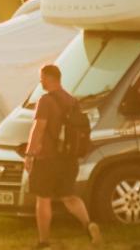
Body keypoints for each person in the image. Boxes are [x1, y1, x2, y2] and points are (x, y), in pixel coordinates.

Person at [25, 65, 102, 248]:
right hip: (68, 158)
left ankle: (44, 241)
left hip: (47, 158)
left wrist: (29, 153)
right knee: (69, 196)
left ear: (49, 78)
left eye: (42, 78)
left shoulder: (45, 100)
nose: (40, 81)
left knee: (43, 199)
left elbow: (39, 128)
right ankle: (89, 225)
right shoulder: (72, 100)